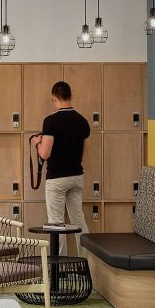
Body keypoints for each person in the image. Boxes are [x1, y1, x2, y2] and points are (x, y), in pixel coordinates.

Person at [31, 81, 91, 255]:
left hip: (57, 179)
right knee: (79, 220)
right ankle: (85, 263)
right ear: (71, 96)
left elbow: (45, 154)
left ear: (54, 98)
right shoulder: (82, 122)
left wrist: (37, 142)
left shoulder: (51, 122)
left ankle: (60, 269)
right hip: (76, 177)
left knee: (56, 223)